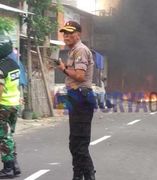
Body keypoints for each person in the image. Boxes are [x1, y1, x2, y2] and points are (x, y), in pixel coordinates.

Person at [58, 21, 96, 180]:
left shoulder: (80, 50)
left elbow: (80, 76)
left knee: (79, 145)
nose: (66, 36)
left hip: (81, 97)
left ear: (78, 34)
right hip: (76, 97)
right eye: (64, 33)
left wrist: (64, 69)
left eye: (70, 32)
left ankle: (88, 176)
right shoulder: (74, 51)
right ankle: (78, 176)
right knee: (75, 144)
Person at [0, 36, 21, 178]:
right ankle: (15, 165)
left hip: (3, 106)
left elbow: (0, 88)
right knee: (9, 136)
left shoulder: (1, 67)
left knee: (3, 137)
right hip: (14, 104)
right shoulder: (14, 64)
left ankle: (8, 168)